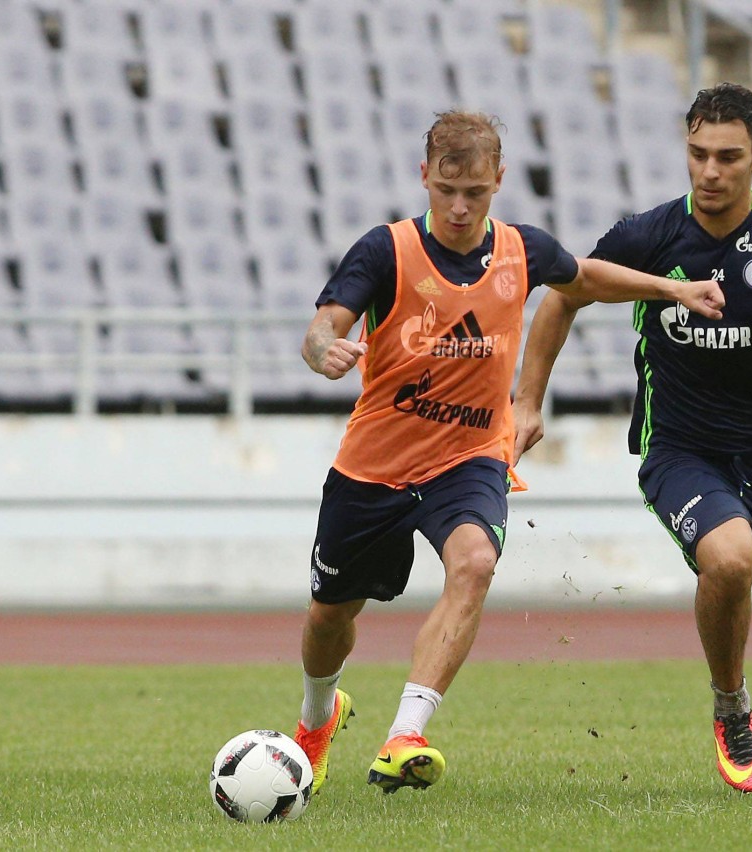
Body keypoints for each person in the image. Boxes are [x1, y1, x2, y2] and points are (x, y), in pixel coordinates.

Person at [293, 111, 724, 797]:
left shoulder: (522, 251)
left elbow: (582, 279)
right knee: (329, 618)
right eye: (445, 190)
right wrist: (326, 353)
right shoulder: (385, 252)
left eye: (474, 192)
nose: (459, 207)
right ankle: (318, 719)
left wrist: (671, 287)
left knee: (476, 562)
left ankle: (405, 734)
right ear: (424, 178)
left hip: (468, 460)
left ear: (498, 179)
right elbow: (322, 327)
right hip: (373, 465)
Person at [513, 84, 752, 796]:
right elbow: (565, 292)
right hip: (680, 451)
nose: (709, 171)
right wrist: (526, 401)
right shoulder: (652, 236)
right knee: (730, 559)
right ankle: (731, 707)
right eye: (697, 154)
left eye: (727, 157)